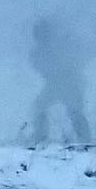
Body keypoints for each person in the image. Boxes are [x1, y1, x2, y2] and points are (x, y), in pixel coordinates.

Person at [27, 16, 92, 144]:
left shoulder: (60, 46)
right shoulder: (39, 51)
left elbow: (75, 61)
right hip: (54, 84)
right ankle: (40, 136)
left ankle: (86, 140)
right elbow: (39, 67)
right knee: (39, 107)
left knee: (74, 111)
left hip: (70, 83)